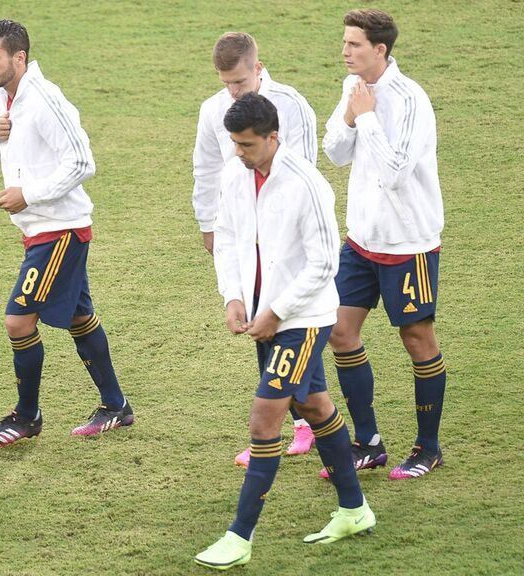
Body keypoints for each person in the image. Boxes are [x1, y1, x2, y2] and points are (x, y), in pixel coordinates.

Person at [194, 94, 374, 570]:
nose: (239, 152)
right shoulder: (235, 174)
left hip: (303, 319)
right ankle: (355, 509)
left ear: (274, 137)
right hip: (264, 317)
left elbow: (324, 263)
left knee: (264, 420)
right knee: (313, 405)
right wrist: (233, 296)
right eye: (234, 144)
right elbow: (227, 237)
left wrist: (276, 311)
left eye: (247, 144)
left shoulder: (306, 184)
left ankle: (239, 537)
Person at [0, 19, 132, 445]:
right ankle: (116, 407)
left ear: (19, 57)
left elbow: (82, 163)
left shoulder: (44, 100)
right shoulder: (4, 96)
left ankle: (26, 417)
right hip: (41, 230)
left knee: (18, 321)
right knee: (80, 317)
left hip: (59, 231)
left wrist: (28, 195)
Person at [321, 9, 447, 481]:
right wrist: (351, 116)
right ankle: (368, 442)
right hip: (360, 241)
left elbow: (395, 173)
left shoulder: (411, 99)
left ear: (380, 49)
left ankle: (428, 448)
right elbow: (335, 153)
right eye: (345, 42)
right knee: (339, 331)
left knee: (416, 339)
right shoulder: (353, 88)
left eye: (354, 44)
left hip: (408, 245)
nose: (345, 51)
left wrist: (368, 117)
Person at [191, 31, 320, 467]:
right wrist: (209, 223)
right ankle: (306, 424)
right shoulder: (213, 110)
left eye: (240, 82)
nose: (233, 91)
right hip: (246, 236)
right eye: (226, 83)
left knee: (293, 327)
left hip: (287, 239)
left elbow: (304, 172)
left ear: (258, 68)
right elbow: (206, 168)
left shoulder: (291, 105)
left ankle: (300, 426)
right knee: (262, 326)